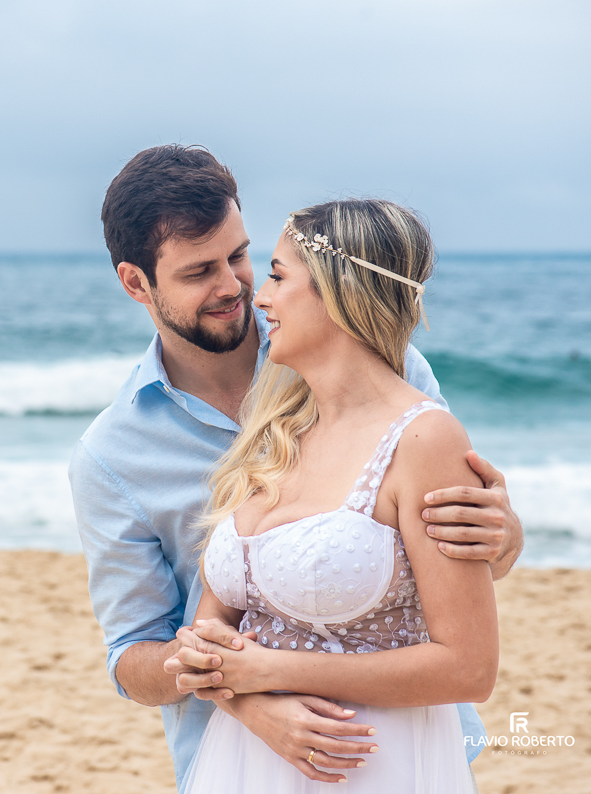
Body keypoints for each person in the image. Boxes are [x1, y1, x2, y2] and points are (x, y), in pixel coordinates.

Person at [68, 145, 523, 791]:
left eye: (239, 256)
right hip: (232, 758)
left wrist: (503, 534)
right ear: (136, 283)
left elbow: (456, 570)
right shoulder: (112, 456)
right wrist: (246, 697)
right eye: (199, 271)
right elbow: (134, 655)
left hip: (394, 749)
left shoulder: (389, 374)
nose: (235, 287)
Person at [172, 199, 495, 792]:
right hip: (246, 759)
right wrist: (245, 698)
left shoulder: (424, 439)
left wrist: (269, 670)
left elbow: (468, 667)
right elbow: (207, 635)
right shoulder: (274, 432)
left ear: (339, 291)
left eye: (277, 276)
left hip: (365, 763)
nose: (259, 298)